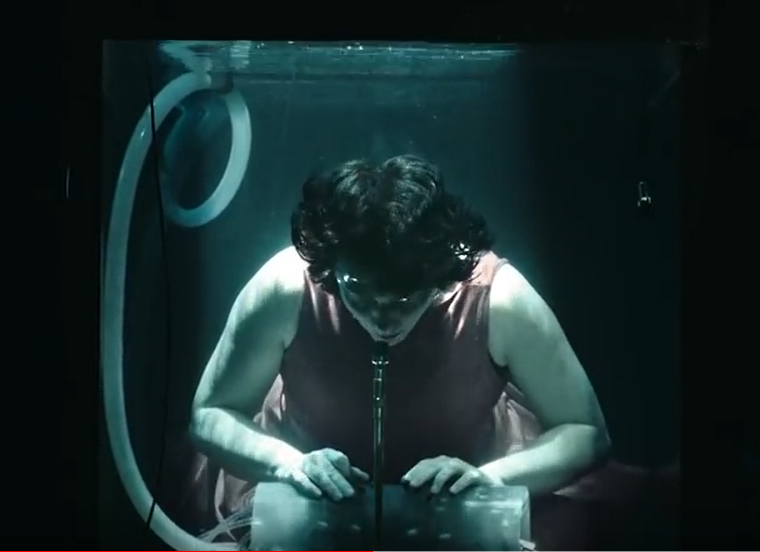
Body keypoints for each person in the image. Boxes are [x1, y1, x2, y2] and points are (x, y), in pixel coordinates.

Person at [186, 154, 612, 545]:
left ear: (441, 274)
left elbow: (585, 430)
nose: (382, 320)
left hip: (470, 498)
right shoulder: (284, 287)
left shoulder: (500, 298)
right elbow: (211, 413)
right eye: (358, 291)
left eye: (405, 299)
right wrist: (286, 463)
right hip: (295, 496)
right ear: (331, 267)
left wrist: (491, 478)